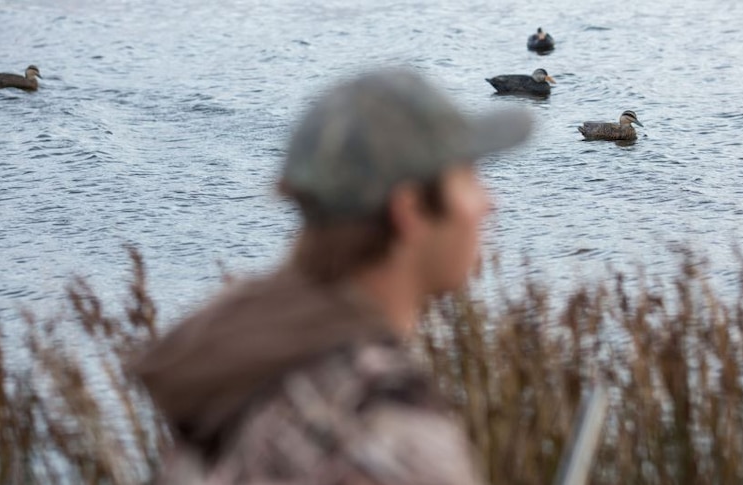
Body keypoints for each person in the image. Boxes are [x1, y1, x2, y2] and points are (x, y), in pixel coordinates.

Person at [132, 67, 532, 484]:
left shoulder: (241, 372)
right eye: (469, 178)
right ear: (409, 211)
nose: (489, 204)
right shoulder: (389, 439)